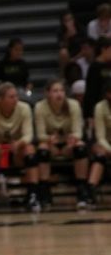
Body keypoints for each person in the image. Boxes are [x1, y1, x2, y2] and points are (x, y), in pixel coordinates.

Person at [0, 82, 37, 211]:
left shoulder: (24, 108)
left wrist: (18, 144)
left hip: (17, 151)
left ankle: (32, 195)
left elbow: (28, 136)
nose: (16, 99)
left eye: (16, 96)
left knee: (30, 149)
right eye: (11, 97)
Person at [34, 79, 85, 210]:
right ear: (48, 94)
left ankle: (82, 190)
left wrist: (72, 140)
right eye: (55, 91)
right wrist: (49, 139)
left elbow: (78, 131)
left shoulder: (73, 105)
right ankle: (45, 190)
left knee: (81, 147)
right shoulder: (40, 107)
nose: (59, 94)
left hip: (69, 143)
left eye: (61, 90)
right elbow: (40, 134)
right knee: (42, 149)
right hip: (50, 143)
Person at [89, 83, 111, 208]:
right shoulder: (100, 107)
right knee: (100, 154)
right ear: (108, 94)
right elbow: (100, 137)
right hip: (104, 142)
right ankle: (91, 189)